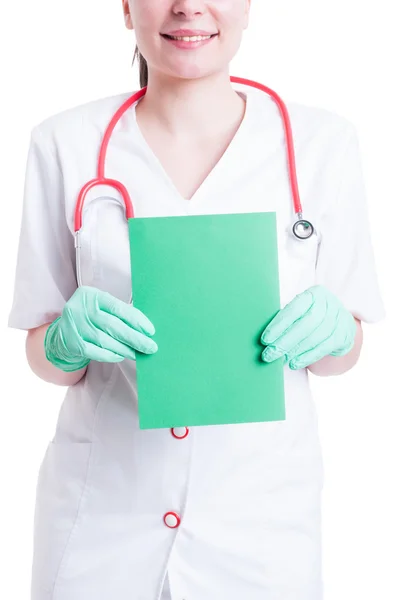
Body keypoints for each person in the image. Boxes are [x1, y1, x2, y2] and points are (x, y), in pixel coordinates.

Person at [8, 1, 385, 599]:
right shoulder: (64, 143)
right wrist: (64, 341)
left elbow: (344, 354)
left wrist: (337, 332)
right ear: (126, 7)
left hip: (260, 530)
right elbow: (43, 355)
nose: (188, 5)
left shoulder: (321, 144)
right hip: (102, 522)